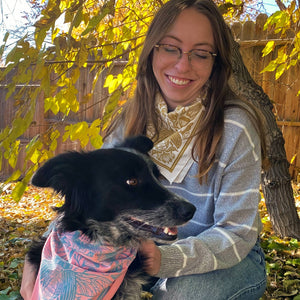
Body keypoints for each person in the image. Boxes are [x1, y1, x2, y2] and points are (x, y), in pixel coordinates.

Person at [21, 0, 268, 299]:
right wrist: (41, 255)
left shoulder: (235, 127)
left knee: (184, 293)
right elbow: (86, 192)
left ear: (216, 63)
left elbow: (237, 233)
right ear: (152, 49)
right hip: (135, 247)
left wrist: (167, 260)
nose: (182, 65)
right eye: (170, 47)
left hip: (224, 257)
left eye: (201, 54)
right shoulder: (130, 118)